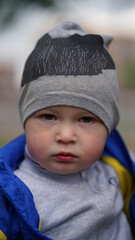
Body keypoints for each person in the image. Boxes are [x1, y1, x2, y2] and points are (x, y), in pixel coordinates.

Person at [0, 21, 135, 240]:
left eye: (86, 119)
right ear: (26, 120)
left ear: (108, 127)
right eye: (49, 116)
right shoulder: (13, 196)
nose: (65, 136)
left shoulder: (118, 168)